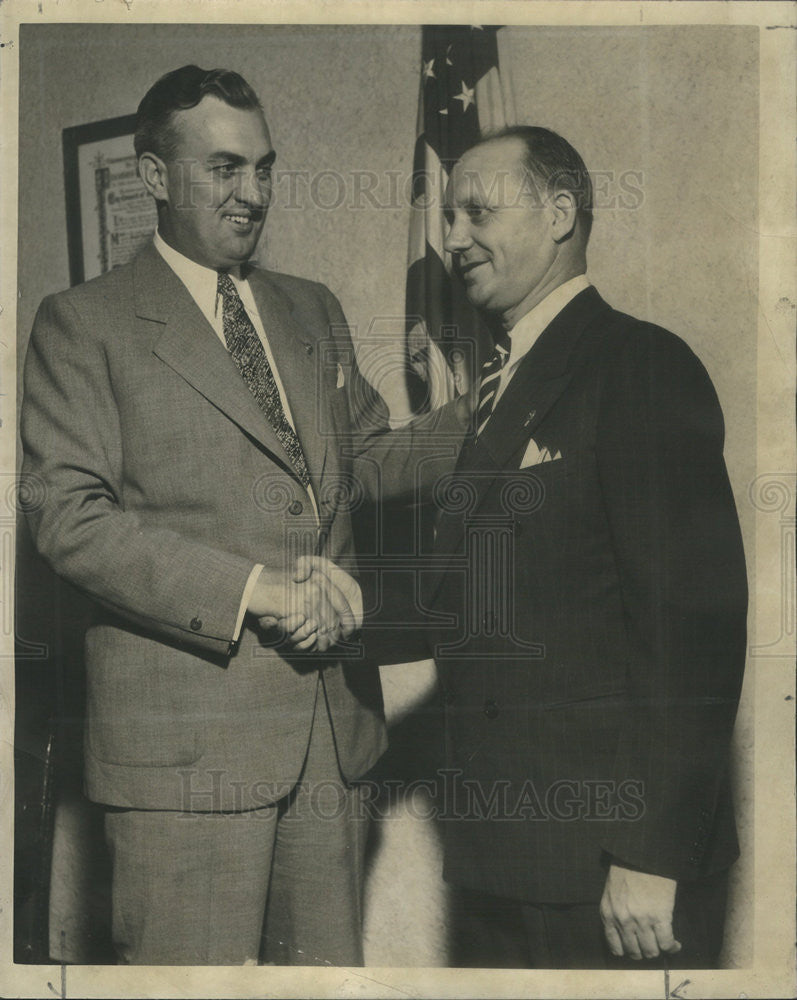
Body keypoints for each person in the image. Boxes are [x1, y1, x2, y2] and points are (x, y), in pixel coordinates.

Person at [20, 65, 467, 966]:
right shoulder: (84, 324)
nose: (254, 193)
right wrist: (253, 589)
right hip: (183, 754)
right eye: (226, 170)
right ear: (154, 178)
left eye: (264, 168)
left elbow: (364, 462)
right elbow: (69, 518)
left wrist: (488, 412)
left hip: (329, 739)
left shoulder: (310, 307)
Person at [426, 126, 748, 969]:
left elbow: (694, 633)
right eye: (446, 215)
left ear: (560, 213)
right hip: (503, 860)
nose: (451, 237)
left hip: (608, 870)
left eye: (476, 211)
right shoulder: (499, 389)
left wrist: (649, 853)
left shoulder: (640, 365)